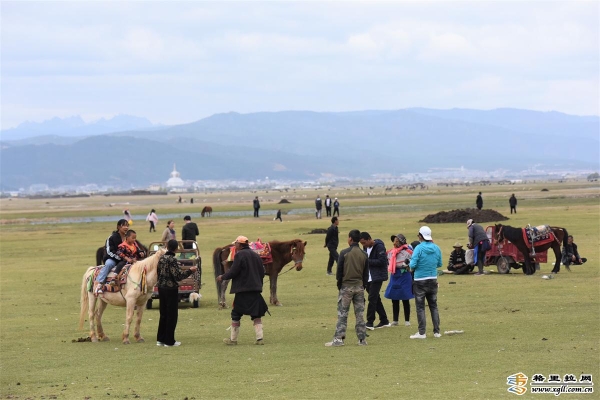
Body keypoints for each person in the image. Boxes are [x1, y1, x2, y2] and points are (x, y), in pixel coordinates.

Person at [217, 236, 269, 345]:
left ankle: (233, 340)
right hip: (255, 289)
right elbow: (262, 272)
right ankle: (260, 339)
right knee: (256, 314)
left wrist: (223, 277)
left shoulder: (239, 255)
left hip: (242, 290)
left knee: (236, 313)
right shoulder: (256, 255)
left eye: (235, 244)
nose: (235, 245)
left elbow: (234, 271)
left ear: (240, 244)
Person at [325, 229, 369, 347]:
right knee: (360, 314)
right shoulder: (364, 254)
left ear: (350, 239)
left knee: (343, 314)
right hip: (359, 287)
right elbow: (366, 274)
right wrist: (363, 286)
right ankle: (362, 339)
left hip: (346, 287)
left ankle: (339, 339)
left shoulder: (344, 253)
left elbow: (339, 272)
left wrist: (340, 285)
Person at [156, 239, 197, 347]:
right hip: (171, 289)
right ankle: (169, 341)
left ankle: (160, 339)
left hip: (161, 288)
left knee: (163, 314)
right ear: (176, 249)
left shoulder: (161, 258)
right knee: (172, 315)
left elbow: (158, 272)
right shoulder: (172, 260)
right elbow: (178, 276)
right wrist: (190, 270)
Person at [409, 226, 442, 339]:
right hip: (433, 279)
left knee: (420, 307)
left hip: (419, 280)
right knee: (433, 306)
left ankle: (422, 333)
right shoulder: (436, 248)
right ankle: (437, 332)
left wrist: (412, 267)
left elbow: (412, 264)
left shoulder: (418, 248)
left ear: (420, 236)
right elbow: (439, 263)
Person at [359, 232, 390, 330]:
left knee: (372, 298)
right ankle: (384, 320)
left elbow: (382, 261)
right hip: (368, 277)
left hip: (377, 276)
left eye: (364, 243)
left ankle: (370, 322)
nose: (363, 245)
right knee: (376, 298)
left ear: (369, 239)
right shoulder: (365, 248)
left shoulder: (379, 247)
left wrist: (367, 261)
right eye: (362, 243)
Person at [384, 233, 414, 327]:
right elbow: (386, 261)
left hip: (404, 276)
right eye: (394, 241)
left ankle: (407, 320)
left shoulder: (408, 252)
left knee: (405, 298)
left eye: (397, 241)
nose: (395, 243)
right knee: (394, 298)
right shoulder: (390, 252)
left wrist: (408, 265)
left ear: (401, 242)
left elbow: (413, 261)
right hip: (394, 276)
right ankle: (395, 320)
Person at [95, 219, 129, 294]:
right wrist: (120, 258)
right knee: (109, 264)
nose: (126, 227)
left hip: (125, 260)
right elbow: (109, 251)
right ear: (118, 227)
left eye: (127, 226)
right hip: (113, 258)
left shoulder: (128, 237)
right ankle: (99, 284)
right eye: (124, 225)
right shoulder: (111, 238)